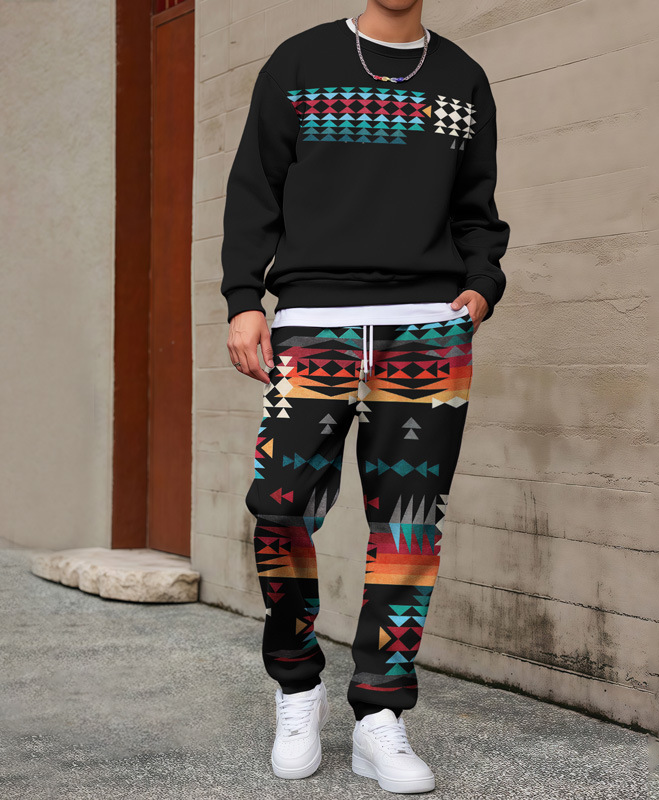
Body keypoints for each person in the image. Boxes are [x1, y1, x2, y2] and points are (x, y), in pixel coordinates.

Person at [220, 1, 510, 793]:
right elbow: (254, 186)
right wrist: (245, 298)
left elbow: (477, 208)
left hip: (427, 330)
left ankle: (380, 713)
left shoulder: (461, 78)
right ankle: (297, 685)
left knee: (408, 530)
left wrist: (482, 286)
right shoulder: (299, 63)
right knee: (280, 507)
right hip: (314, 324)